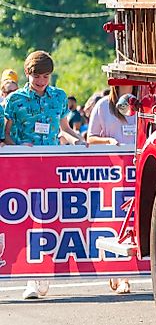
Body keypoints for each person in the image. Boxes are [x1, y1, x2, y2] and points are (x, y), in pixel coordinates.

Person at [3, 51, 82, 300]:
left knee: (48, 219)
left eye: (46, 76)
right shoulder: (14, 100)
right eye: (37, 76)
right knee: (25, 221)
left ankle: (41, 274)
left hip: (51, 166)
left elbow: (64, 128)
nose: (41, 81)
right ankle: (26, 275)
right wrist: (18, 147)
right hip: (23, 168)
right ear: (28, 74)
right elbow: (6, 135)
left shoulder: (59, 97)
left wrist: (78, 141)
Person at [86, 85, 136, 294]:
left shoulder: (145, 102)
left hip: (138, 169)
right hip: (112, 173)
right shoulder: (103, 106)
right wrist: (108, 141)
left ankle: (126, 276)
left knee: (133, 221)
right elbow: (90, 138)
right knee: (115, 220)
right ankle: (116, 270)